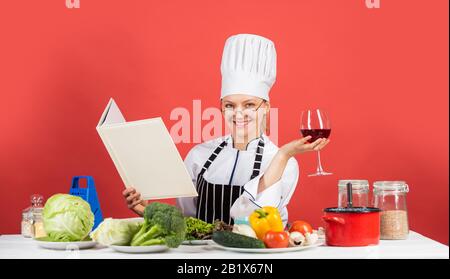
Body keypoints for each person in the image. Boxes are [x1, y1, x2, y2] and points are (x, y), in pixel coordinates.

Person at [123, 34, 330, 227]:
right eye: (230, 105)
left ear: (266, 106)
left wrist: (284, 154)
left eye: (249, 105)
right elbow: (186, 222)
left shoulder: (284, 162)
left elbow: (254, 219)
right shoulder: (199, 156)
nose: (238, 114)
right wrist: (148, 211)